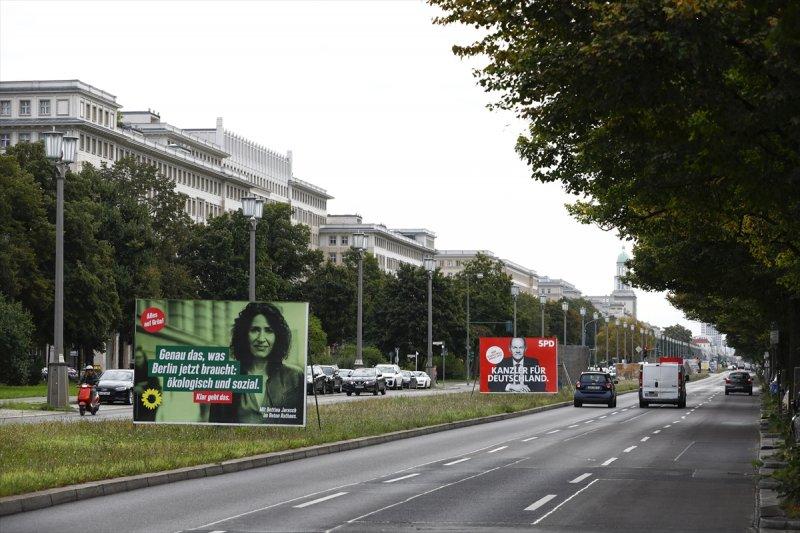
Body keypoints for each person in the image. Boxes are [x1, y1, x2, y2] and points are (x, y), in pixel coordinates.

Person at [209, 302, 303, 425]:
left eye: (269, 330)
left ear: (278, 336)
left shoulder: (294, 376)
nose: (261, 338)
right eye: (254, 330)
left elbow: (299, 421)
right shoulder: (225, 378)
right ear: (244, 335)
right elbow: (216, 426)